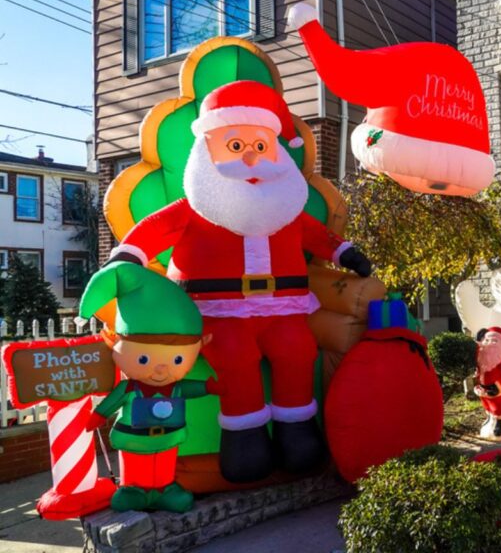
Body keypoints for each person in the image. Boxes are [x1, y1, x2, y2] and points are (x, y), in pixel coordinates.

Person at [107, 81, 372, 482]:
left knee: (297, 347)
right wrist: (127, 259)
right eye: (235, 146)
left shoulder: (286, 208)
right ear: (206, 149)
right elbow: (151, 232)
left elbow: (317, 234)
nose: (250, 156)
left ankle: (297, 435)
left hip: (283, 308)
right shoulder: (195, 209)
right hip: (218, 311)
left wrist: (345, 252)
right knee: (234, 354)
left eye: (260, 146)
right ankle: (244, 441)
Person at [80, 262, 212, 512]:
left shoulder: (177, 387)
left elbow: (191, 389)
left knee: (163, 466)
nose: (161, 370)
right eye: (144, 359)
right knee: (136, 467)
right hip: (134, 440)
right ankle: (134, 489)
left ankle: (164, 489)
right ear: (115, 343)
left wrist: (209, 386)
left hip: (168, 439)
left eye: (176, 360)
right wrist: (98, 416)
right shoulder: (130, 388)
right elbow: (112, 402)